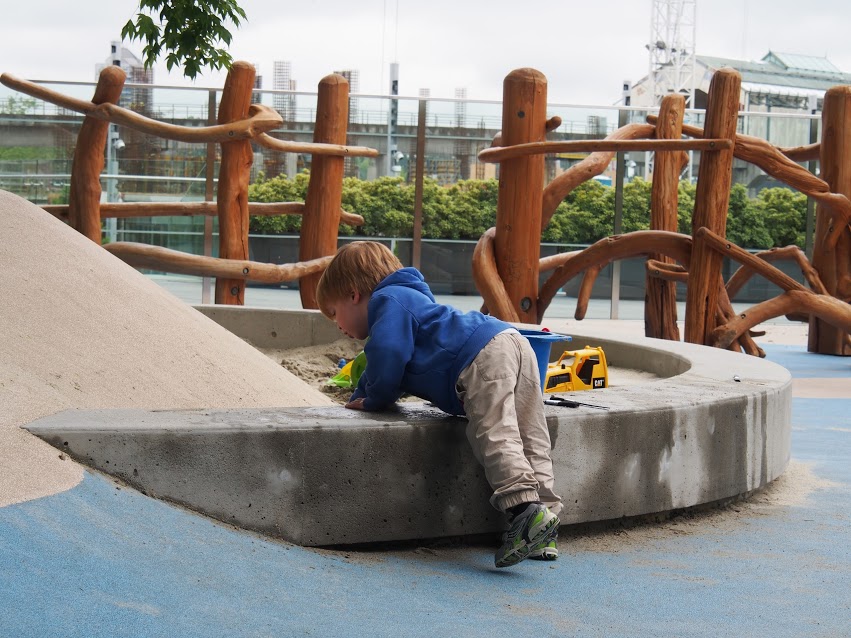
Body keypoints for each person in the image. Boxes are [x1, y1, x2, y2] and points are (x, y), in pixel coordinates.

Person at [315, 241, 562, 568]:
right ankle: (547, 525)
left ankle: (524, 511)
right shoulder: (410, 301)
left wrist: (373, 400)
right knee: (530, 436)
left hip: (482, 356)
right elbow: (382, 364)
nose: (339, 325)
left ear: (353, 295)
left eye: (334, 314)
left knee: (493, 433)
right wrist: (363, 391)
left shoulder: (386, 302)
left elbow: (388, 355)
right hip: (513, 342)